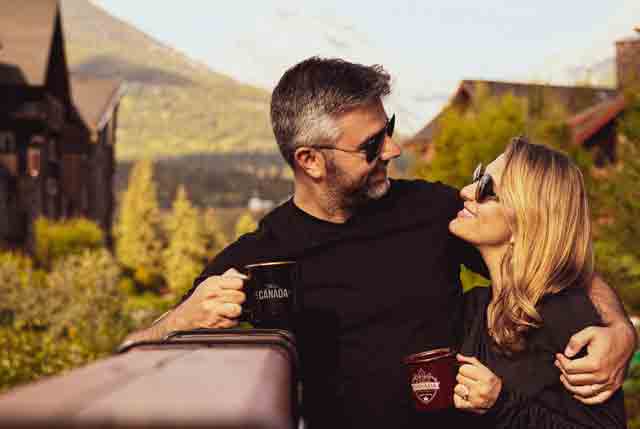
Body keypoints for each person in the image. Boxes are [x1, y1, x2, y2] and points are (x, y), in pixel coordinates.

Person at [122, 57, 636, 428]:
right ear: (311, 161)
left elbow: (544, 250)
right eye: (371, 144)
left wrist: (618, 329)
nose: (392, 148)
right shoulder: (262, 257)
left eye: (386, 127)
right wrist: (179, 320)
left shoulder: (434, 211)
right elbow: (132, 351)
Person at [451, 137, 626, 428]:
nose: (466, 191)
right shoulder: (474, 306)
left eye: (487, 189)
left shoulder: (565, 315)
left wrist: (502, 404)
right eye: (477, 177)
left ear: (526, 221)